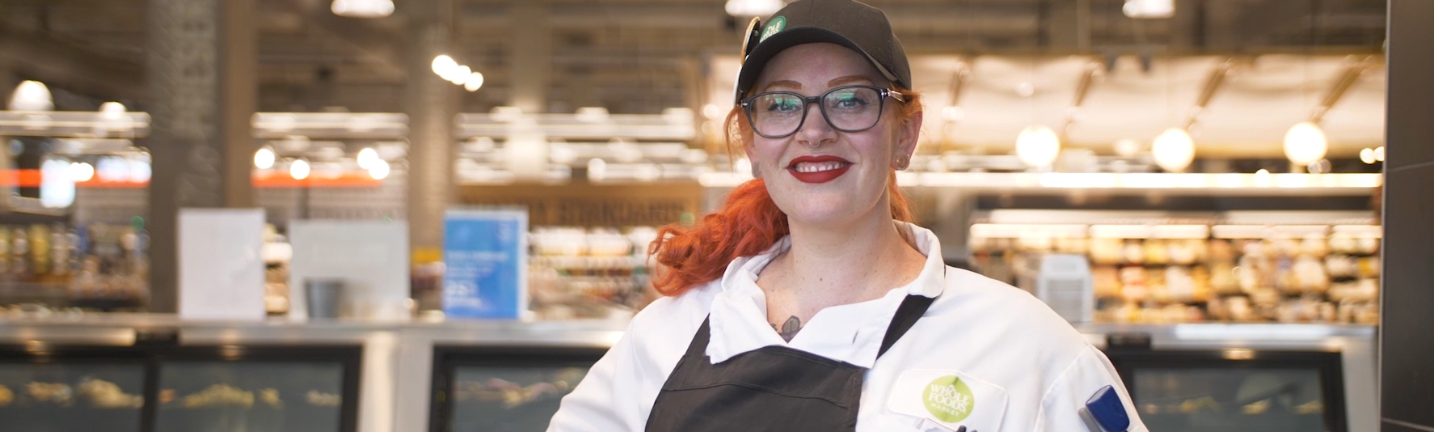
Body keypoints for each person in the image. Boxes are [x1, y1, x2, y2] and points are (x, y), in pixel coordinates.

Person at [548, 0, 1147, 430]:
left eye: (850, 100)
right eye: (781, 104)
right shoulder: (670, 335)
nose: (814, 131)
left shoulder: (1025, 349)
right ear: (752, 144)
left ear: (905, 135)